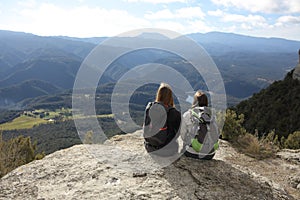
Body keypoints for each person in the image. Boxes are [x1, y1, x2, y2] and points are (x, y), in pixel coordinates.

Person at [143, 83, 181, 156]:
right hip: (167, 151)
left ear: (158, 94)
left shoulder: (150, 107)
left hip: (150, 148)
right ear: (170, 96)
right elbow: (177, 134)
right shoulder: (174, 113)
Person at [180, 90, 219, 160]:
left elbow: (183, 135)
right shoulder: (212, 116)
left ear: (194, 102)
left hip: (191, 153)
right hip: (209, 154)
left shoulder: (187, 114)